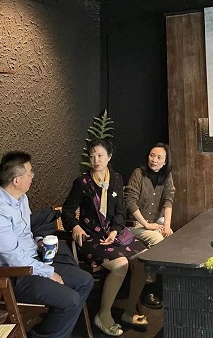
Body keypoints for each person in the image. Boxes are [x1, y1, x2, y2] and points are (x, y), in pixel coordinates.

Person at [0, 151, 94, 338]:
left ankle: (47, 333)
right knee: (70, 300)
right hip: (10, 276)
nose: (33, 176)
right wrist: (48, 272)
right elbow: (14, 258)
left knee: (85, 281)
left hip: (31, 261)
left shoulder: (21, 199)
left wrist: (39, 242)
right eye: (30, 172)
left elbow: (25, 234)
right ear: (16, 180)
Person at [62, 139, 148, 337]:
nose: (96, 160)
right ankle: (103, 314)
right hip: (91, 238)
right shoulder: (82, 182)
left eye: (100, 155)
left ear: (109, 157)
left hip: (113, 234)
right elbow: (67, 211)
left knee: (144, 259)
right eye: (92, 156)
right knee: (121, 264)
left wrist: (115, 231)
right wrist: (75, 226)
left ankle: (129, 310)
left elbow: (120, 211)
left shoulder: (116, 178)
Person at [124, 142, 175, 309]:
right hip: (136, 224)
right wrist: (147, 224)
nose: (154, 160)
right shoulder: (139, 173)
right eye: (152, 155)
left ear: (165, 161)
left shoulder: (166, 176)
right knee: (158, 241)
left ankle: (165, 289)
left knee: (172, 240)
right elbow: (130, 201)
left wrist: (166, 225)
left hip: (156, 222)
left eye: (159, 157)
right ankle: (149, 289)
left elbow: (168, 200)